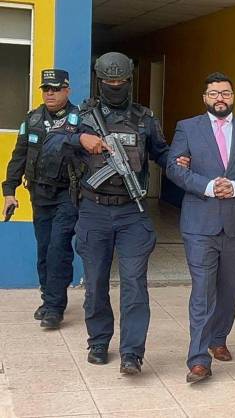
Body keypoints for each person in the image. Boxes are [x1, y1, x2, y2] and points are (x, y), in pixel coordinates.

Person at [74, 52, 188, 375]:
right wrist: (80, 138)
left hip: (131, 212)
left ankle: (132, 352)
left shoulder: (144, 118)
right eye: (109, 81)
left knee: (135, 284)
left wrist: (178, 162)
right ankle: (98, 341)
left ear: (129, 81)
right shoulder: (82, 117)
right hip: (94, 209)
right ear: (99, 81)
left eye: (120, 80)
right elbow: (54, 144)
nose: (115, 85)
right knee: (95, 282)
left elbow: (161, 153)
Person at [166, 72, 235, 384]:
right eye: (213, 93)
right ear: (205, 98)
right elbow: (173, 169)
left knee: (230, 287)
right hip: (200, 223)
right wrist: (208, 186)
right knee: (203, 290)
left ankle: (218, 337)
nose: (219, 98)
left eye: (225, 93)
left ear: (233, 97)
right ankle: (198, 359)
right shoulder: (187, 128)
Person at [2, 69, 81, 329]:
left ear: (67, 90)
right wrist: (9, 192)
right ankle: (49, 299)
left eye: (55, 89)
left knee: (58, 248)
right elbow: (19, 156)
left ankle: (55, 307)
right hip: (39, 195)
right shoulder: (32, 118)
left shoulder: (79, 120)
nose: (50, 93)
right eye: (46, 89)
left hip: (66, 195)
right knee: (44, 249)